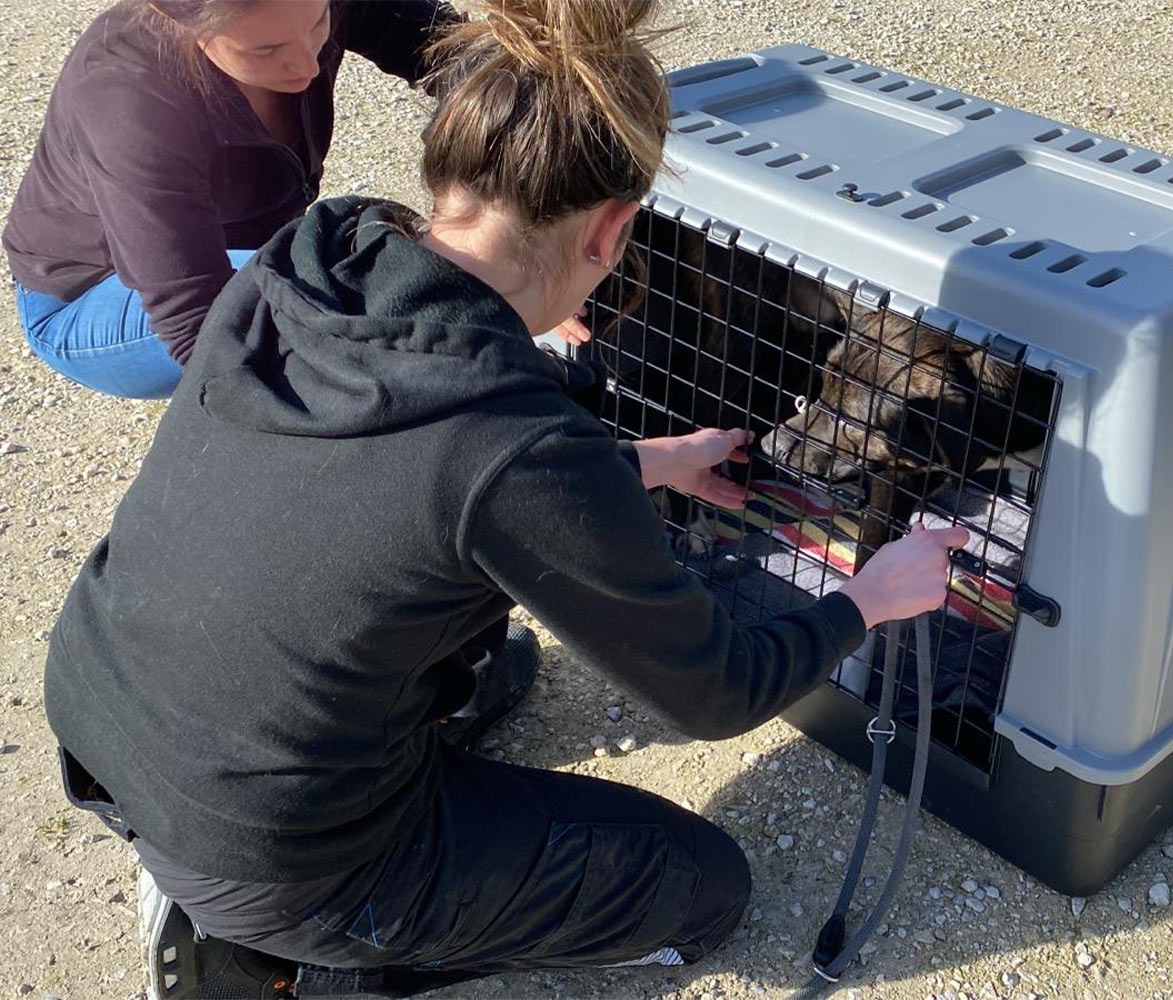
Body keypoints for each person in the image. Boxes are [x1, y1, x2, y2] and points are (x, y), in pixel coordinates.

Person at [43, 0, 968, 997]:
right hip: (270, 849)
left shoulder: (317, 249)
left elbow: (426, 476)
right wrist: (868, 597)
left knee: (499, 662)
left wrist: (645, 462)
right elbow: (716, 690)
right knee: (706, 890)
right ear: (613, 230)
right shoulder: (515, 447)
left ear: (446, 171)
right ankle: (291, 961)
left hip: (103, 710)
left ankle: (259, 865)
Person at [3, 0, 457, 399]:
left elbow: (454, 48)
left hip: (234, 249)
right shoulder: (126, 98)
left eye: (320, 24)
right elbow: (197, 326)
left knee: (384, 275)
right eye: (266, 50)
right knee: (347, 300)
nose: (309, 63)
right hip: (91, 296)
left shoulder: (295, 14)